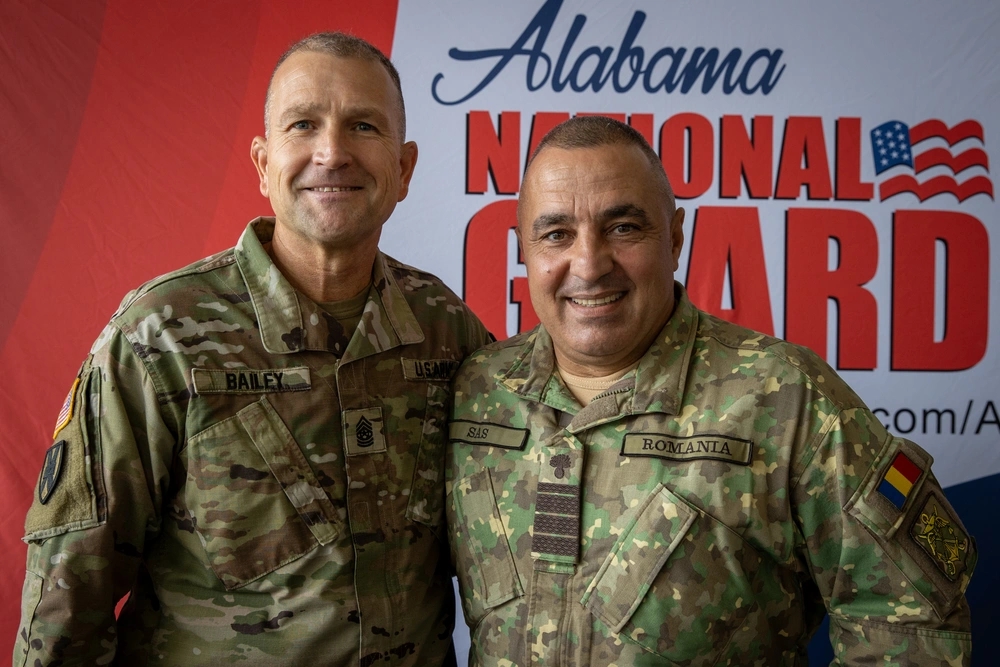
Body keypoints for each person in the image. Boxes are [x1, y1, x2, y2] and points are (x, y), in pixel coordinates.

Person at [16, 32, 490, 666]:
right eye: (303, 125)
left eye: (363, 126)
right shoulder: (162, 337)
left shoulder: (446, 329)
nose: (333, 152)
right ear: (264, 164)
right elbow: (67, 600)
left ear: (403, 169)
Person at [446, 116, 974, 666]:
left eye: (623, 227)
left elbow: (912, 623)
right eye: (556, 234)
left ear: (675, 236)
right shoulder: (477, 391)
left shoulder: (786, 396)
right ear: (523, 250)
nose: (589, 264)